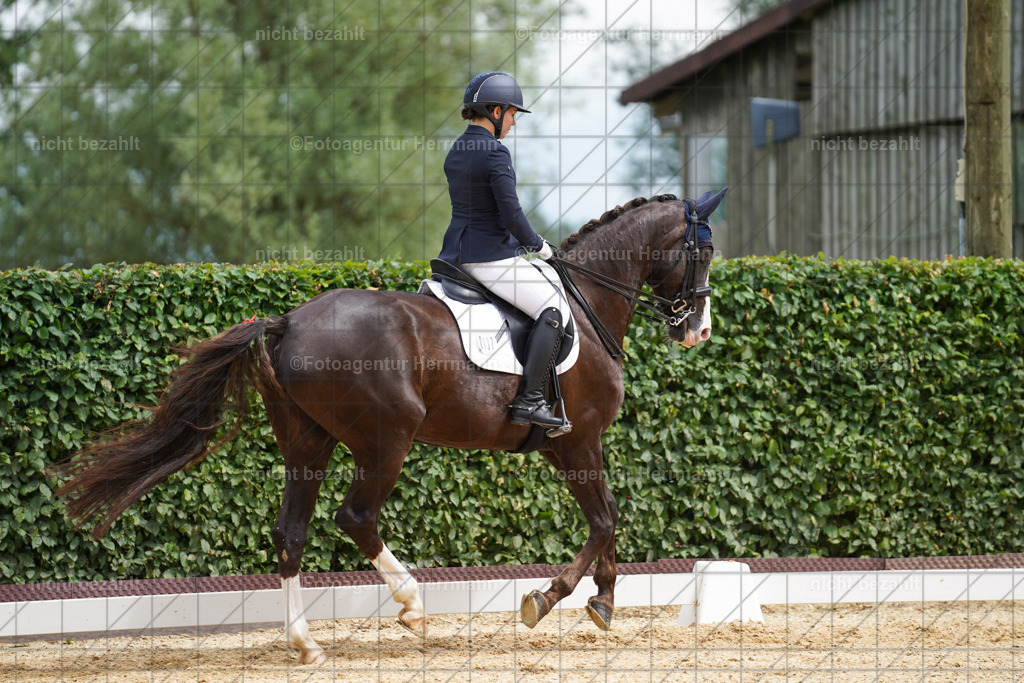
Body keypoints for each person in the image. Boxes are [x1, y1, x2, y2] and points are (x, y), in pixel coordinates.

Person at [437, 71, 571, 432]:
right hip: (491, 257)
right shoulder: (495, 153)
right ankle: (530, 401)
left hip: (456, 254)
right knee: (553, 308)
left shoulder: (457, 149)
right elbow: (511, 213)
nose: (513, 122)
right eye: (512, 114)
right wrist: (540, 247)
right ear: (495, 111)